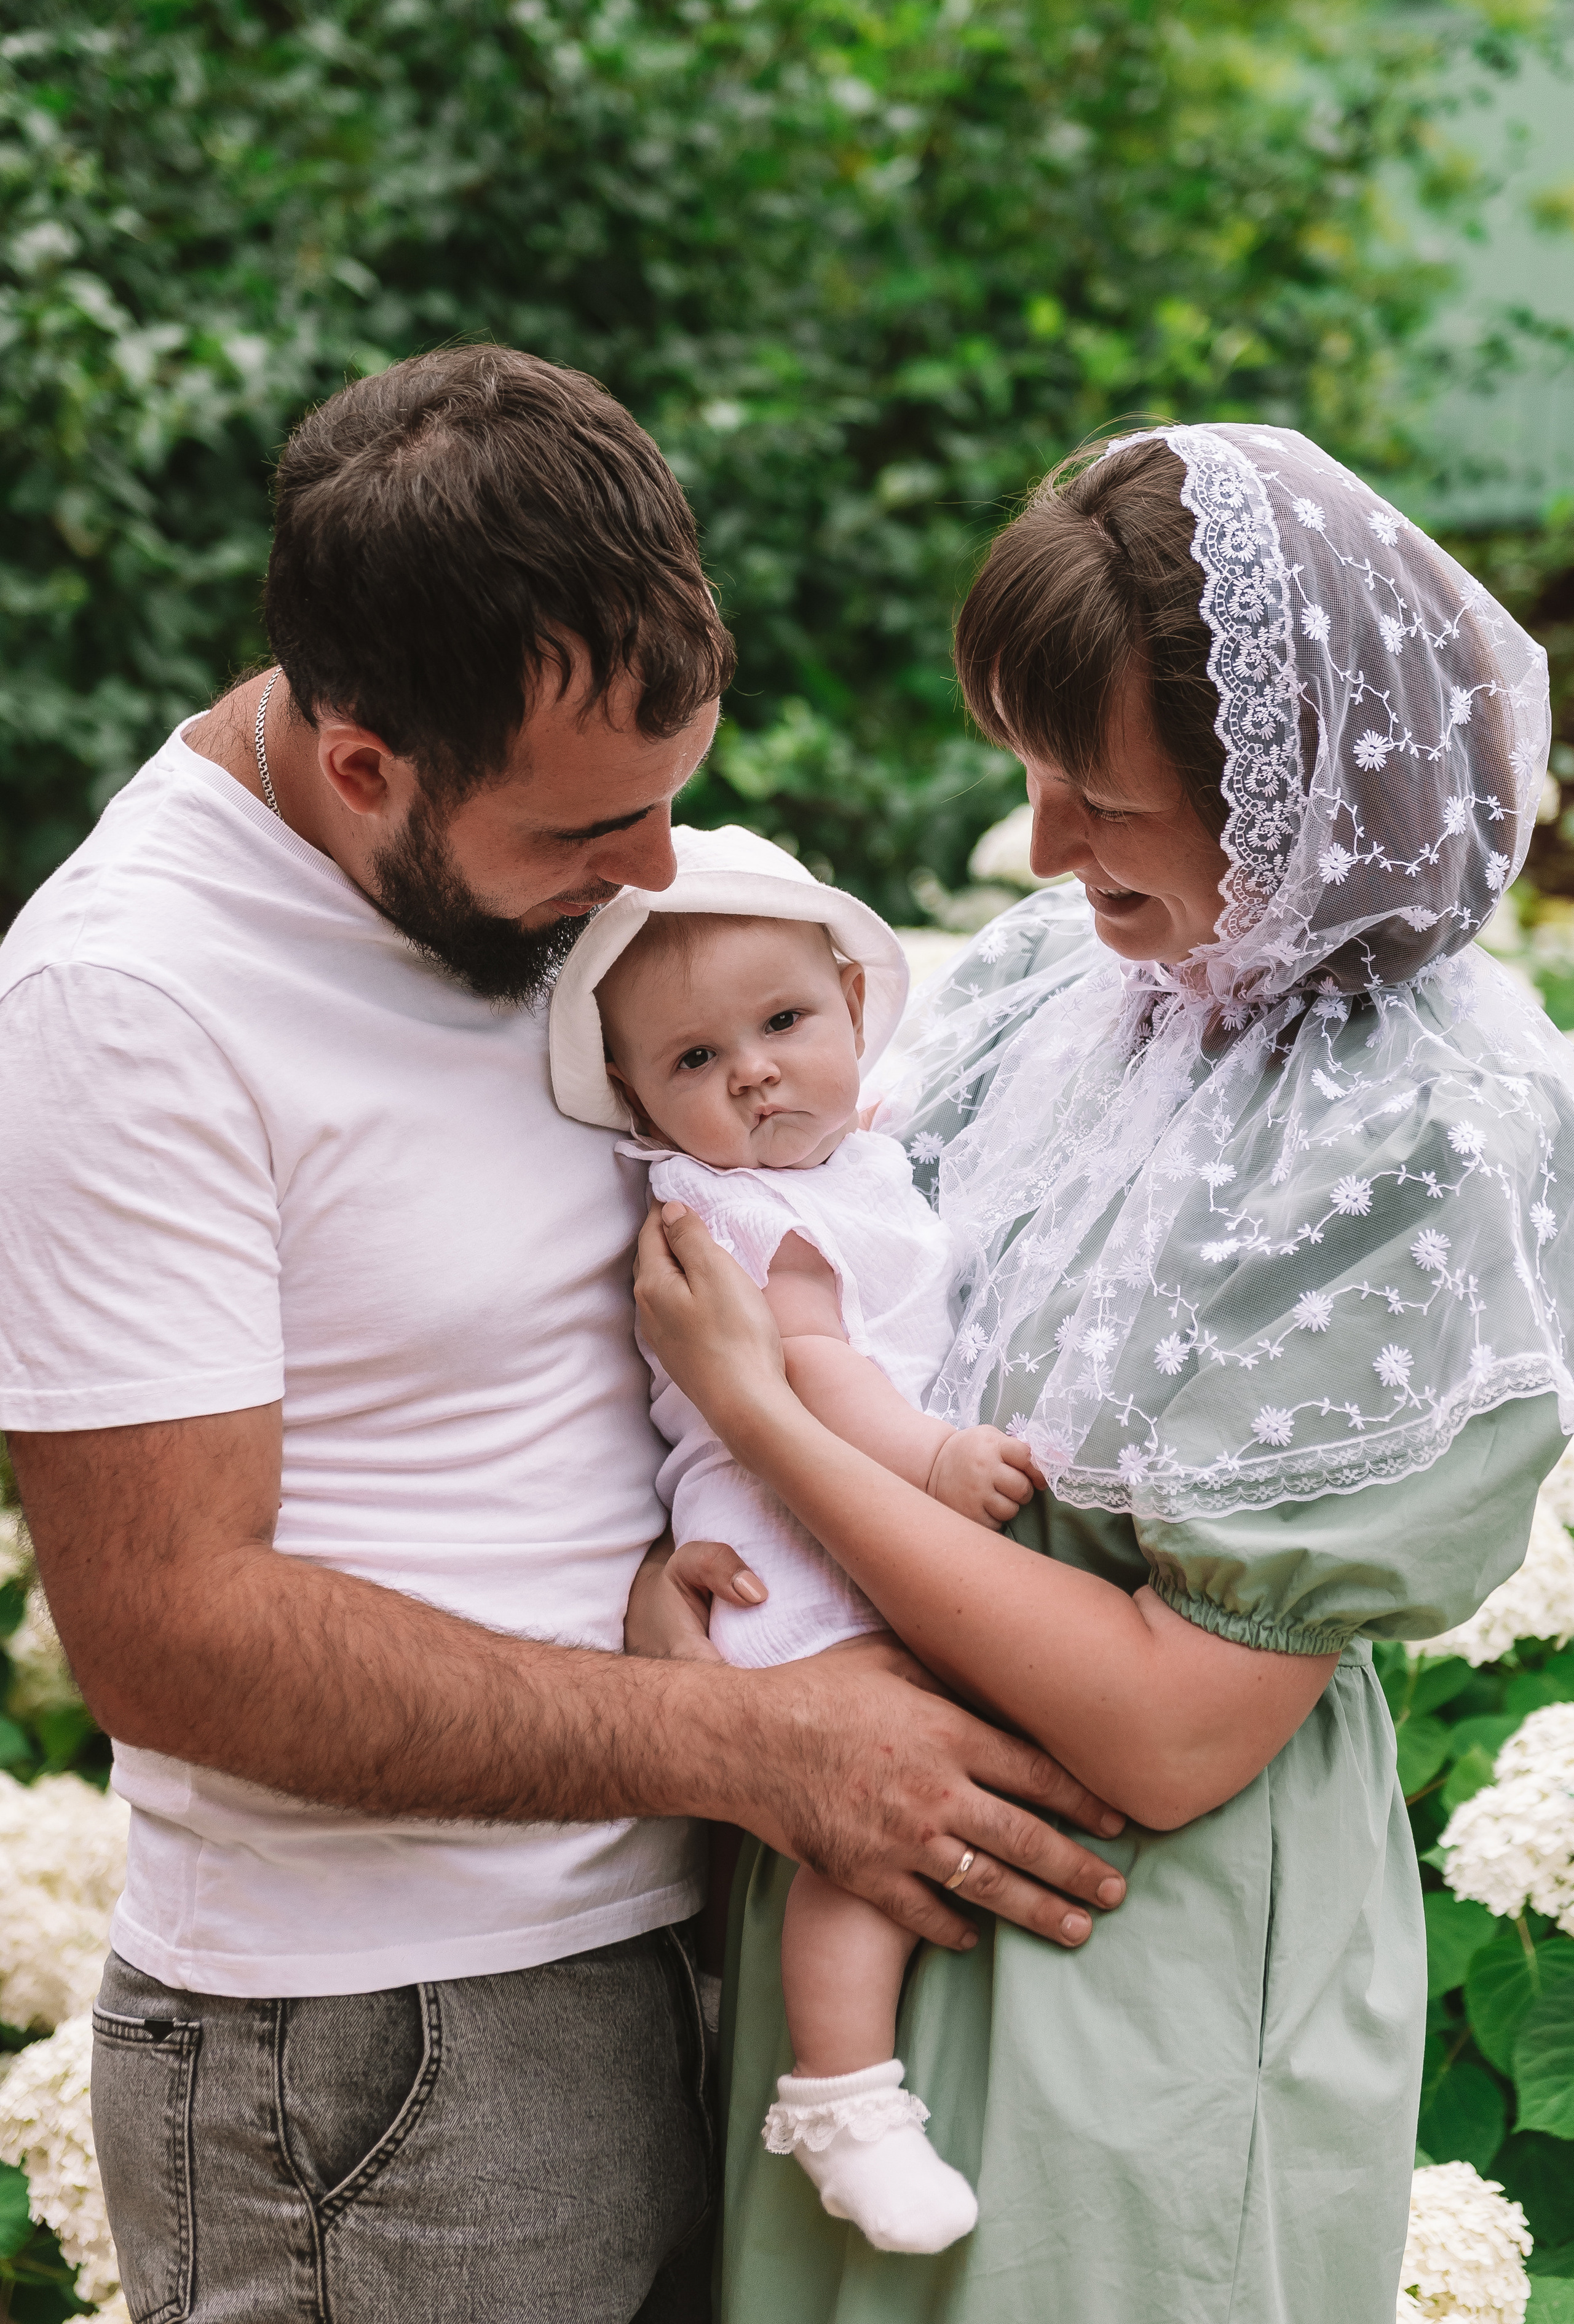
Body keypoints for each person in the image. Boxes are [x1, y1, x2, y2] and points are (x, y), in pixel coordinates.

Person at [0, 347, 1128, 2323]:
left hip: (676, 1948)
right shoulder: (126, 1005)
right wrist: (760, 1743)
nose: (656, 877)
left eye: (671, 801)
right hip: (379, 2058)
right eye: (591, 833)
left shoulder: (559, 874)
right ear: (367, 765)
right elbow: (168, 1632)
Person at [629, 422, 1574, 2324]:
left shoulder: (1433, 1135)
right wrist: (700, 1620)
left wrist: (756, 1420)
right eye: (1034, 782)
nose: (1049, 854)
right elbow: (854, 1315)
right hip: (875, 1917)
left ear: (1300, 804)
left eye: (1102, 802)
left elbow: (1169, 1729)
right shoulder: (1059, 986)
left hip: (1127, 1967)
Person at [550, 824, 1043, 2255]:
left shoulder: (850, 1165)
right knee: (854, 1833)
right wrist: (934, 1459)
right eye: (694, 1062)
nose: (753, 1071)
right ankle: (841, 2098)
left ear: (848, 1000)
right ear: (639, 1096)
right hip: (799, 1552)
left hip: (833, 1531)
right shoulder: (738, 1210)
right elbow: (815, 1372)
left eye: (781, 1024)